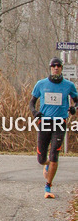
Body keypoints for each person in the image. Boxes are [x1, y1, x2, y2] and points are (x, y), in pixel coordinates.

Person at [30, 57, 78, 199]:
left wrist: (74, 108)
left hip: (60, 122)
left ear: (61, 68)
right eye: (53, 65)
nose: (56, 68)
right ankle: (47, 165)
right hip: (44, 122)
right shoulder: (41, 84)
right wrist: (35, 113)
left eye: (58, 66)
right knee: (41, 158)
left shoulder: (68, 85)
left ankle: (48, 185)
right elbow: (32, 102)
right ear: (50, 68)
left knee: (54, 155)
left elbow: (77, 101)